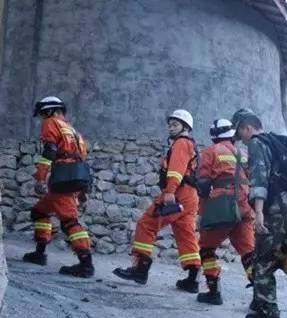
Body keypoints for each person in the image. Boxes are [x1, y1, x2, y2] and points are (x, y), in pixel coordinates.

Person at [232, 108, 287, 318]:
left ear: (247, 128)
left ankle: (268, 313)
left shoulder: (257, 144)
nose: (241, 139)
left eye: (240, 134)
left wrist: (258, 212)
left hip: (278, 211)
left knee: (263, 262)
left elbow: (259, 179)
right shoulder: (281, 141)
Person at [113, 110, 201, 290]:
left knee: (146, 224)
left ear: (185, 127)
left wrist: (170, 191)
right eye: (170, 124)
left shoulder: (181, 143)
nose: (171, 128)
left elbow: (176, 170)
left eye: (175, 124)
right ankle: (192, 280)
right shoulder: (190, 145)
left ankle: (140, 269)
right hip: (191, 196)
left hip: (177, 193)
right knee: (186, 234)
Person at [23, 96, 94, 277]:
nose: (41, 118)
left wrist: (40, 177)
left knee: (69, 221)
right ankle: (39, 254)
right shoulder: (72, 130)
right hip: (74, 178)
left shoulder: (51, 123)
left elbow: (50, 151)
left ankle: (86, 264)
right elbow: (82, 157)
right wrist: (83, 192)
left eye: (42, 114)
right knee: (39, 212)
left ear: (49, 111)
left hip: (62, 180)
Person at [195, 118, 255, 305]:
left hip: (223, 206)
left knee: (206, 248)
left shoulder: (211, 151)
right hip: (245, 206)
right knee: (248, 252)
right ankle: (262, 296)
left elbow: (203, 186)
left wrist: (201, 214)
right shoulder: (243, 153)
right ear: (232, 135)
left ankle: (213, 291)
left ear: (213, 136)